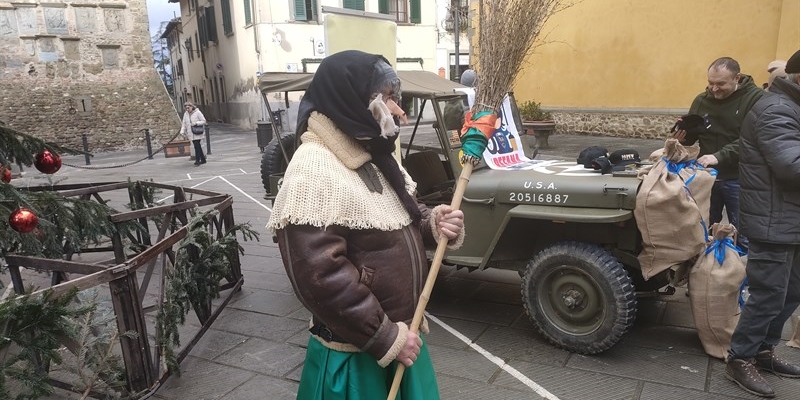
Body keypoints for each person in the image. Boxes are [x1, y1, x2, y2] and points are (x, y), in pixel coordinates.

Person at [266, 50, 465, 400]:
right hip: (359, 358)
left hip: (402, 338)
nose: (397, 111)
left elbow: (395, 218)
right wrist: (385, 337)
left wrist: (432, 224)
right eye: (387, 98)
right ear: (351, 99)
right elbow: (320, 276)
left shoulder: (372, 155)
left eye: (395, 97)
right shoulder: (314, 168)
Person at [725, 49, 800, 398]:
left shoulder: (792, 107)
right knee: (768, 295)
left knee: (791, 292)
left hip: (790, 219)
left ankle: (765, 351)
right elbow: (791, 166)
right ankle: (740, 358)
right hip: (773, 220)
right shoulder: (776, 110)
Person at [672, 57, 764, 251]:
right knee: (703, 232)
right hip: (706, 177)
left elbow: (752, 138)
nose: (714, 89)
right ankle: (706, 274)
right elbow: (692, 136)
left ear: (737, 78)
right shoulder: (701, 100)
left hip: (740, 177)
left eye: (720, 84)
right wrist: (681, 137)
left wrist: (719, 156)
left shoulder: (756, 98)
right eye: (710, 83)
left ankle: (741, 276)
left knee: (744, 235)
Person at [180, 101, 207, 166]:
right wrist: (182, 131)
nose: (187, 109)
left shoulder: (198, 112)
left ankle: (197, 160)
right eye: (186, 108)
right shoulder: (186, 114)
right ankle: (203, 159)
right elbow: (184, 123)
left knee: (196, 146)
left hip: (197, 132)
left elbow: (204, 121)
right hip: (190, 133)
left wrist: (196, 123)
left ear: (192, 107)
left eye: (188, 108)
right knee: (197, 146)